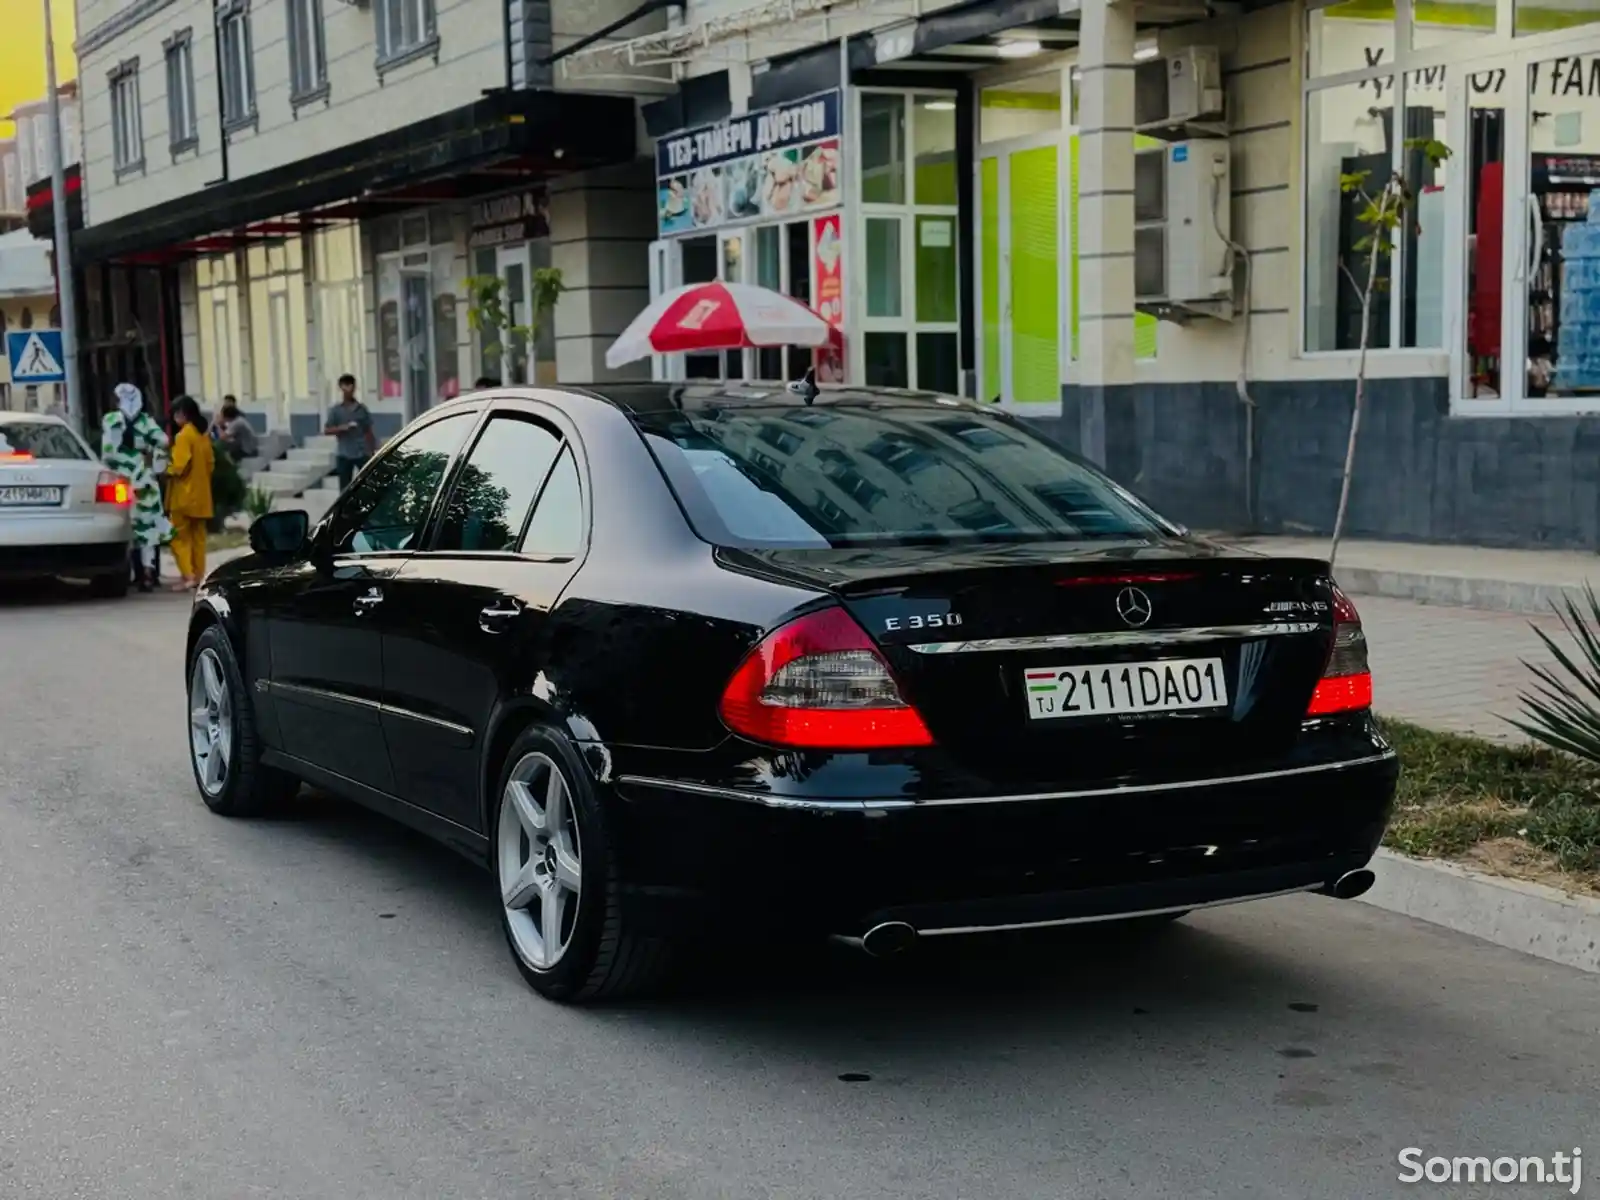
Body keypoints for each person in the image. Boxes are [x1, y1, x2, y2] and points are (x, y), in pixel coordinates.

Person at [101, 383, 171, 593]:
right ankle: (149, 572)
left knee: (125, 525)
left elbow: (108, 453)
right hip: (145, 480)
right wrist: (156, 463)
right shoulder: (147, 422)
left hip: (121, 481)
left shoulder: (111, 420)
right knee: (147, 528)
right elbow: (164, 442)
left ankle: (130, 572)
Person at [166, 395, 216, 591]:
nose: (174, 418)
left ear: (182, 414)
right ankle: (198, 576)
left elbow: (179, 466)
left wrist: (166, 470)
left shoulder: (183, 436)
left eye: (175, 414)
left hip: (183, 497)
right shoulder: (202, 435)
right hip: (202, 496)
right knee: (199, 539)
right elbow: (211, 464)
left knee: (179, 537)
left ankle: (187, 575)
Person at [325, 374, 374, 492]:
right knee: (345, 488)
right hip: (344, 453)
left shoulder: (362, 409)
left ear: (354, 387)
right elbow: (327, 430)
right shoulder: (336, 410)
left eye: (350, 385)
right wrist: (342, 428)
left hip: (361, 452)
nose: (348, 389)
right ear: (341, 388)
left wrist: (372, 452)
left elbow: (368, 430)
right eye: (345, 385)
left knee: (368, 483)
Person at [215, 397, 257, 462]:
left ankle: (231, 469)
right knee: (226, 446)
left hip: (247, 451)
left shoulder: (237, 423)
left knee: (222, 453)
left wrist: (219, 425)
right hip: (249, 448)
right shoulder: (238, 420)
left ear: (226, 416)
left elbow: (222, 437)